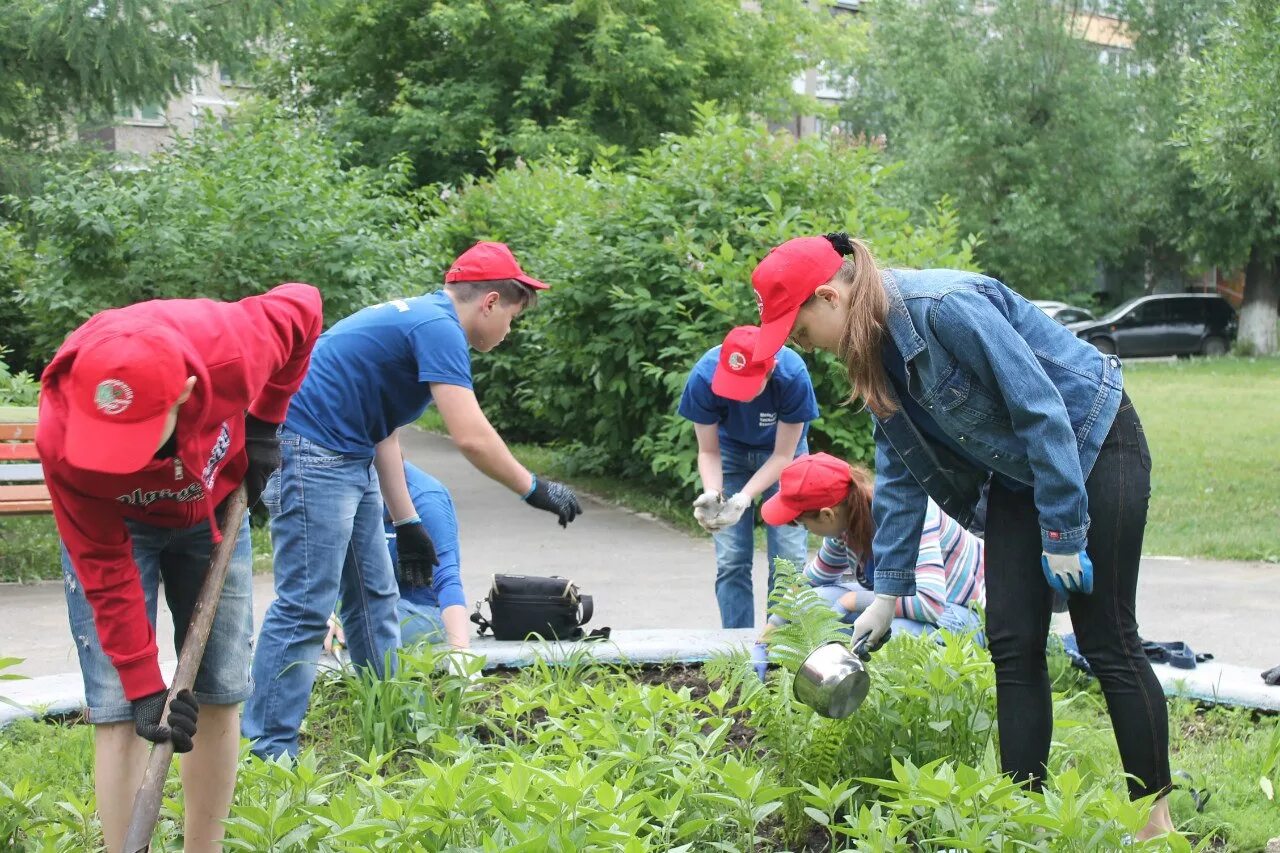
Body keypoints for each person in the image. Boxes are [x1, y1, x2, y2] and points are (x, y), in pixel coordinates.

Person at [750, 232, 1173, 840]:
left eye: (800, 328)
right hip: (1017, 471)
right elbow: (898, 477)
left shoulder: (943, 306)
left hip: (1092, 441)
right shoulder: (873, 355)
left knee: (1106, 638)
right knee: (1011, 641)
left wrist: (1061, 527)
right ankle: (1023, 813)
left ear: (829, 296)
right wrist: (887, 594)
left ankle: (1153, 821)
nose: (801, 344)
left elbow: (1040, 408)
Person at [244, 241, 582, 760]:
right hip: (309, 451)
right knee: (307, 604)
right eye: (512, 317)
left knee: (374, 595)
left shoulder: (421, 320)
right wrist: (534, 489)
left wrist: (407, 522)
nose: (509, 331)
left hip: (343, 452)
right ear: (490, 302)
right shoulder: (439, 329)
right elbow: (470, 435)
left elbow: (384, 429)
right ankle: (269, 750)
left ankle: (391, 724)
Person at [36, 284, 323, 853]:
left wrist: (266, 422)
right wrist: (146, 687)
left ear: (185, 394)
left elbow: (305, 306)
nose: (123, 460)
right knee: (120, 704)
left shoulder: (233, 349)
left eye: (136, 441)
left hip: (211, 509)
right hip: (116, 527)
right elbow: (101, 563)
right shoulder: (63, 436)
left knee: (218, 688)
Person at [677, 325, 818, 629]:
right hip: (729, 454)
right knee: (731, 560)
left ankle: (779, 647)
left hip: (784, 454)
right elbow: (709, 452)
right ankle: (736, 647)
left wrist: (742, 498)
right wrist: (715, 494)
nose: (738, 396)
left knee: (789, 560)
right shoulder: (704, 377)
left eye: (747, 386)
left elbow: (783, 456)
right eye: (732, 385)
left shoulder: (792, 375)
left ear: (771, 369)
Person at [761, 452, 985, 641]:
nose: (806, 531)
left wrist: (851, 602)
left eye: (805, 525)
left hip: (965, 613)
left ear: (827, 515)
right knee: (817, 599)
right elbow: (807, 583)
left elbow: (929, 604)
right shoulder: (847, 524)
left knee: (892, 638)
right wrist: (770, 630)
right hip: (920, 609)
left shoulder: (908, 517)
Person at [325, 461, 469, 653]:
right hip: (359, 603)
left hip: (418, 609)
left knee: (361, 626)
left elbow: (447, 578)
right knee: (294, 623)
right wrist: (327, 613)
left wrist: (460, 652)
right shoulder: (341, 483)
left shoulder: (426, 497)